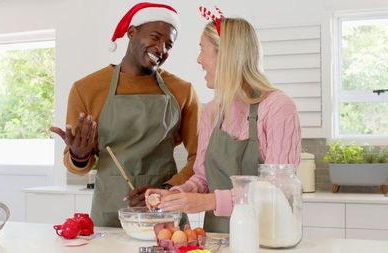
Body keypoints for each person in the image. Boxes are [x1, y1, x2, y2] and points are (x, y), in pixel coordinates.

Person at [50, 2, 201, 227]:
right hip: (110, 210)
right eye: (155, 37)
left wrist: (167, 190)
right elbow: (75, 167)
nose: (161, 49)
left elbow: (199, 158)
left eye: (169, 44)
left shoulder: (183, 91)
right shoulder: (87, 89)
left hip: (165, 211)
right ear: (132, 33)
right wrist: (79, 155)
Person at [145, 16, 301, 233]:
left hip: (268, 237)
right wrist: (178, 195)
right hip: (217, 237)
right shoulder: (212, 112)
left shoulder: (277, 107)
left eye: (202, 50)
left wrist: (210, 202)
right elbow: (202, 177)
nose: (199, 60)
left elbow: (276, 190)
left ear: (226, 56)